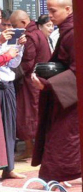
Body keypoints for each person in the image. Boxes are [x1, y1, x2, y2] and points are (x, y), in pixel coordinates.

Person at [30, 0, 81, 183]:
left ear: (68, 9)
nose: (50, 16)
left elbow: (79, 70)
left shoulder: (73, 33)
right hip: (65, 98)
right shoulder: (68, 30)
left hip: (70, 100)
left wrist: (47, 85)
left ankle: (52, 183)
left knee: (61, 141)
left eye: (53, 11)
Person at [12, 11, 51, 163]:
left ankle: (29, 149)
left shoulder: (29, 37)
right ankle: (35, 149)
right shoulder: (39, 33)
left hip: (30, 82)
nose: (15, 29)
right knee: (36, 114)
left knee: (26, 115)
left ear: (23, 22)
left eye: (15, 26)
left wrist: (11, 71)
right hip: (40, 79)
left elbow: (27, 63)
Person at [0, 11, 24, 179]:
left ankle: (9, 167)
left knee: (9, 126)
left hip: (7, 84)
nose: (7, 28)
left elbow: (13, 63)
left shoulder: (7, 40)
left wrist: (19, 48)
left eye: (10, 25)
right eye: (4, 24)